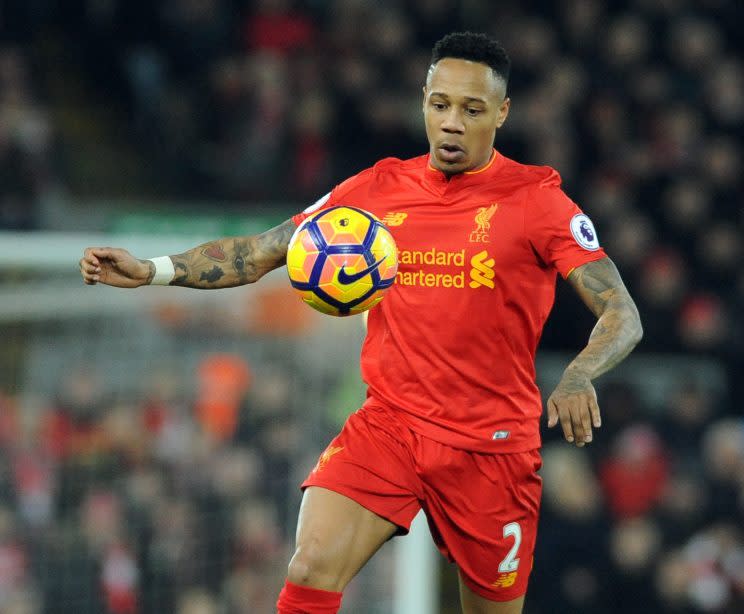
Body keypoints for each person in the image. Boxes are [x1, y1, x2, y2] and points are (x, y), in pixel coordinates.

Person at [80, 32, 643, 614]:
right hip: (390, 426)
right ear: (423, 99)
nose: (452, 122)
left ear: (500, 114)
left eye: (472, 110)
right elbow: (262, 251)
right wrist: (152, 269)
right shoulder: (376, 189)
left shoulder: (537, 201)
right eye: (440, 104)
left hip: (491, 448)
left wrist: (579, 374)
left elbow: (622, 312)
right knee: (311, 566)